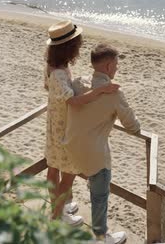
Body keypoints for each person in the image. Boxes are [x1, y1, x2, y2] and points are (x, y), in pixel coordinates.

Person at [44, 21, 119, 226]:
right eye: (77, 44)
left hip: (53, 125)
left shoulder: (54, 66)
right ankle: (57, 217)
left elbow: (51, 90)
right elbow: (73, 101)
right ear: (69, 47)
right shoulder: (60, 73)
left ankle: (57, 208)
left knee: (53, 169)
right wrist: (99, 91)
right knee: (68, 174)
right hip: (64, 130)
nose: (79, 47)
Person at [64, 44, 140, 244]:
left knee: (87, 174)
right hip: (94, 155)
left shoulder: (79, 82)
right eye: (115, 64)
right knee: (100, 195)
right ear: (107, 66)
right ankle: (101, 238)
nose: (117, 68)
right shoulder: (114, 93)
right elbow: (133, 126)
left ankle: (65, 207)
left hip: (71, 146)